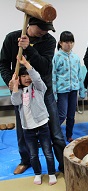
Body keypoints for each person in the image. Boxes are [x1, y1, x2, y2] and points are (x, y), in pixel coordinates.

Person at [0, 17, 66, 174]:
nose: (45, 31)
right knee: (23, 131)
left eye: (48, 28)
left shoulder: (49, 41)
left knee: (55, 131)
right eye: (42, 27)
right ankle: (26, 161)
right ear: (30, 24)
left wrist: (28, 48)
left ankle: (64, 164)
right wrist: (9, 80)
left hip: (44, 92)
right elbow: (3, 63)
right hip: (22, 93)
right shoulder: (11, 38)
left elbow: (45, 67)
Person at [11, 56, 57, 185]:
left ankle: (51, 173)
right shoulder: (19, 92)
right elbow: (15, 102)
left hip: (42, 125)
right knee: (33, 154)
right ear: (19, 78)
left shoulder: (38, 88)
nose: (27, 78)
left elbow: (36, 78)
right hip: (28, 128)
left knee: (48, 152)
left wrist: (26, 64)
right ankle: (37, 174)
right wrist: (15, 87)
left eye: (28, 75)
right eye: (23, 76)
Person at [52, 31, 85, 143]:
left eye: (71, 42)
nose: (69, 44)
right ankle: (53, 134)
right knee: (61, 115)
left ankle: (69, 135)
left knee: (71, 115)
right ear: (60, 43)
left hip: (73, 90)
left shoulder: (75, 57)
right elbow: (53, 76)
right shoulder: (57, 57)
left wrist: (82, 90)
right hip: (62, 91)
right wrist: (54, 93)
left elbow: (79, 74)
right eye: (66, 42)